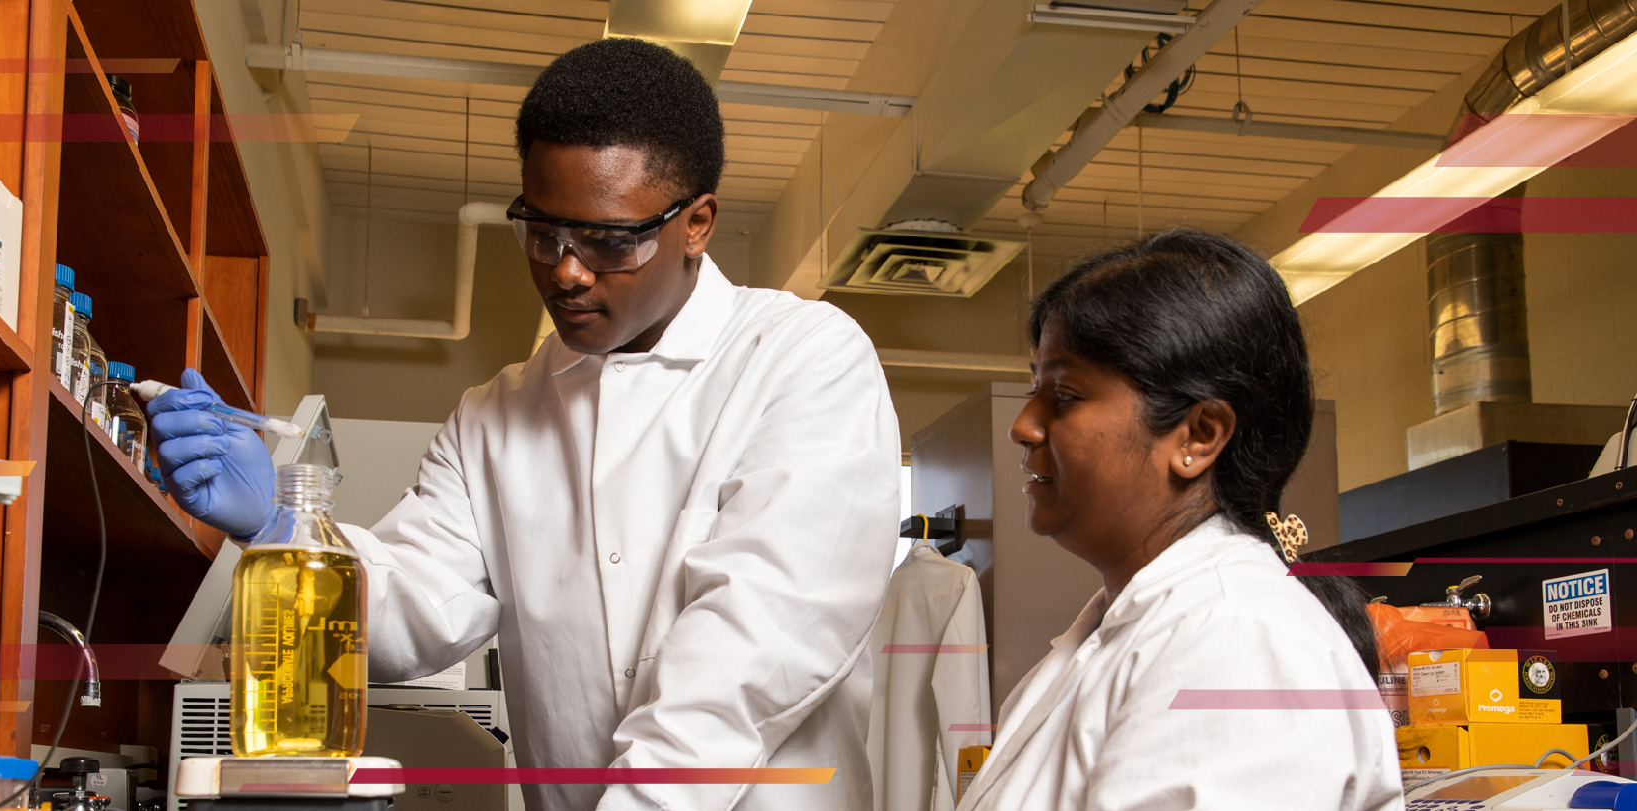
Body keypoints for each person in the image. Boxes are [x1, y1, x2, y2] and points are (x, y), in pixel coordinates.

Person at [148, 38, 899, 811]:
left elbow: (753, 646)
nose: (567, 271)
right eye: (544, 234)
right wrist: (284, 529)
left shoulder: (803, 358)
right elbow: (416, 611)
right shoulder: (493, 415)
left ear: (697, 222)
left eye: (609, 241)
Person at [955, 229, 1403, 810]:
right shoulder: (1123, 636)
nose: (1024, 425)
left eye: (1062, 394)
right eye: (1032, 387)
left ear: (1198, 435)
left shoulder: (1238, 643)